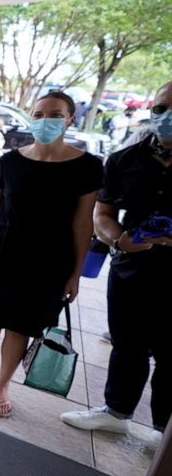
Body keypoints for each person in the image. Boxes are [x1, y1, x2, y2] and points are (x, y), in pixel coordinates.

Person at [0, 91, 103, 417]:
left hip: (49, 259)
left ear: (70, 119)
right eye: (38, 114)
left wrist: (75, 273)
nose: (45, 121)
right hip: (1, 250)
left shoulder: (87, 167)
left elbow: (83, 225)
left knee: (21, 324)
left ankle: (3, 384)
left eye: (54, 114)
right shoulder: (10, 160)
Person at [60, 80, 172, 451]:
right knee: (127, 344)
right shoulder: (126, 159)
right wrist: (121, 239)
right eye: (160, 108)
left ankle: (162, 429)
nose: (165, 116)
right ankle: (116, 412)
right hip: (132, 269)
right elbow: (103, 213)